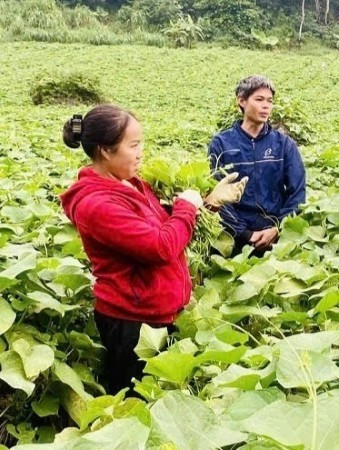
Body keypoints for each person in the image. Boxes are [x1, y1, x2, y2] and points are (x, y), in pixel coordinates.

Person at [60, 104, 247, 394]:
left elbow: (164, 227)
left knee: (162, 399)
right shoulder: (96, 204)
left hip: (157, 314)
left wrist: (210, 201)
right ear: (106, 151)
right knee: (137, 405)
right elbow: (160, 246)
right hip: (131, 322)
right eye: (133, 145)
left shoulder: (130, 184)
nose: (141, 152)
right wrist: (186, 205)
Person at [208, 75, 306, 255]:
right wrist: (246, 234)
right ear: (241, 101)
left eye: (270, 101)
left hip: (277, 237)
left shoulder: (284, 145)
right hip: (234, 238)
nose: (266, 105)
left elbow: (297, 192)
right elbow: (216, 195)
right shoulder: (221, 144)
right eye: (259, 99)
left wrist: (278, 227)